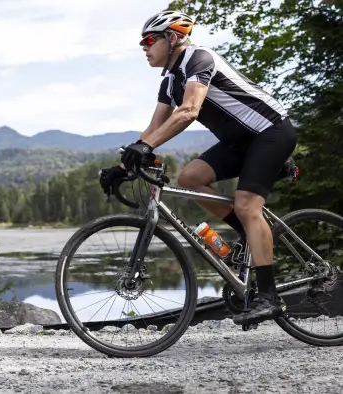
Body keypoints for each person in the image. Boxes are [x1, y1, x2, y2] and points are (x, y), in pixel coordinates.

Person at [100, 10, 297, 325]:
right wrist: (125, 164)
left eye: (149, 40)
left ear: (173, 38)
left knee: (247, 205)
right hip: (240, 143)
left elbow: (190, 110)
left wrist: (147, 148)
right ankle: (247, 234)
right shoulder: (169, 82)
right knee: (191, 177)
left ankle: (269, 297)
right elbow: (153, 128)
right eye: (142, 43)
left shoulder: (198, 59)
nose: (144, 47)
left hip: (270, 132)